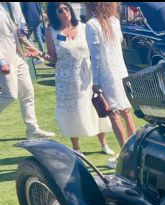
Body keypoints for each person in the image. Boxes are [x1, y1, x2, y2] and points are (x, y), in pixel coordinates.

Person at [45, 3, 113, 156]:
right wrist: (41, 55)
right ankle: (76, 148)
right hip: (66, 78)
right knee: (71, 112)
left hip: (86, 76)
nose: (65, 12)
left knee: (95, 107)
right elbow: (53, 58)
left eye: (66, 8)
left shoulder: (83, 27)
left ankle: (104, 143)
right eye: (60, 10)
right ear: (54, 14)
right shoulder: (52, 31)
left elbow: (95, 51)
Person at [85, 1, 136, 167]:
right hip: (120, 69)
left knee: (114, 114)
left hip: (107, 73)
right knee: (126, 112)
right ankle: (134, 149)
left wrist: (96, 82)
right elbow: (119, 43)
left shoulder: (92, 25)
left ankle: (125, 154)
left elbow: (96, 56)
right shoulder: (114, 21)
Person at [0, 2, 54, 139]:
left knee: (28, 91)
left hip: (19, 54)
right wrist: (1, 61)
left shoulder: (14, 4)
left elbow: (21, 22)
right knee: (10, 94)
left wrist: (23, 28)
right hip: (4, 57)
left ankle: (32, 129)